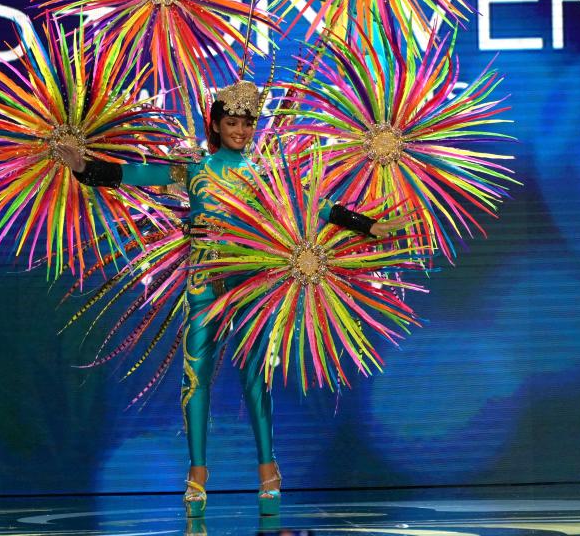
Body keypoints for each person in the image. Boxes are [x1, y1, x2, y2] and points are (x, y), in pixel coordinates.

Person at [56, 81, 405, 518]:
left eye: (247, 124)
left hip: (251, 284)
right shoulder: (194, 169)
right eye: (232, 123)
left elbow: (314, 204)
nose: (240, 131)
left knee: (255, 378)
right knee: (195, 378)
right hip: (203, 281)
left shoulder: (262, 173)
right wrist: (83, 168)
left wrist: (367, 225)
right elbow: (134, 174)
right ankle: (197, 475)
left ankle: (268, 472)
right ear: (217, 125)